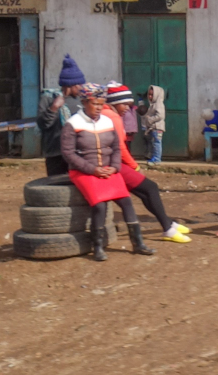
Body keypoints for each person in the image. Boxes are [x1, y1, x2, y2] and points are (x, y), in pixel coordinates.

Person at [61, 85, 150, 261]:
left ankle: (138, 243)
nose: (99, 108)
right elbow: (68, 154)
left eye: (102, 104)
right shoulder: (73, 124)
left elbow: (117, 148)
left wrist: (115, 167)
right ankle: (98, 247)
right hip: (84, 172)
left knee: (126, 201)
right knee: (100, 205)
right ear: (85, 102)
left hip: (109, 170)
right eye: (95, 104)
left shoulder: (107, 122)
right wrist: (92, 169)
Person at [102, 83, 191, 244]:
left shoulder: (106, 114)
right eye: (124, 104)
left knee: (144, 192)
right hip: (113, 164)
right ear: (114, 103)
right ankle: (168, 228)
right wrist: (135, 166)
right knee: (150, 188)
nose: (127, 109)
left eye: (129, 104)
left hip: (110, 163)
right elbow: (120, 147)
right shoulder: (113, 116)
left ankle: (168, 224)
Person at [140, 84, 166, 165]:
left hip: (157, 127)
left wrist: (150, 120)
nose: (150, 96)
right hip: (154, 127)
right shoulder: (153, 105)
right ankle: (155, 157)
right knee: (154, 143)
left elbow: (160, 115)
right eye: (149, 94)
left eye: (152, 95)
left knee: (157, 143)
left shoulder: (158, 104)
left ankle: (157, 159)